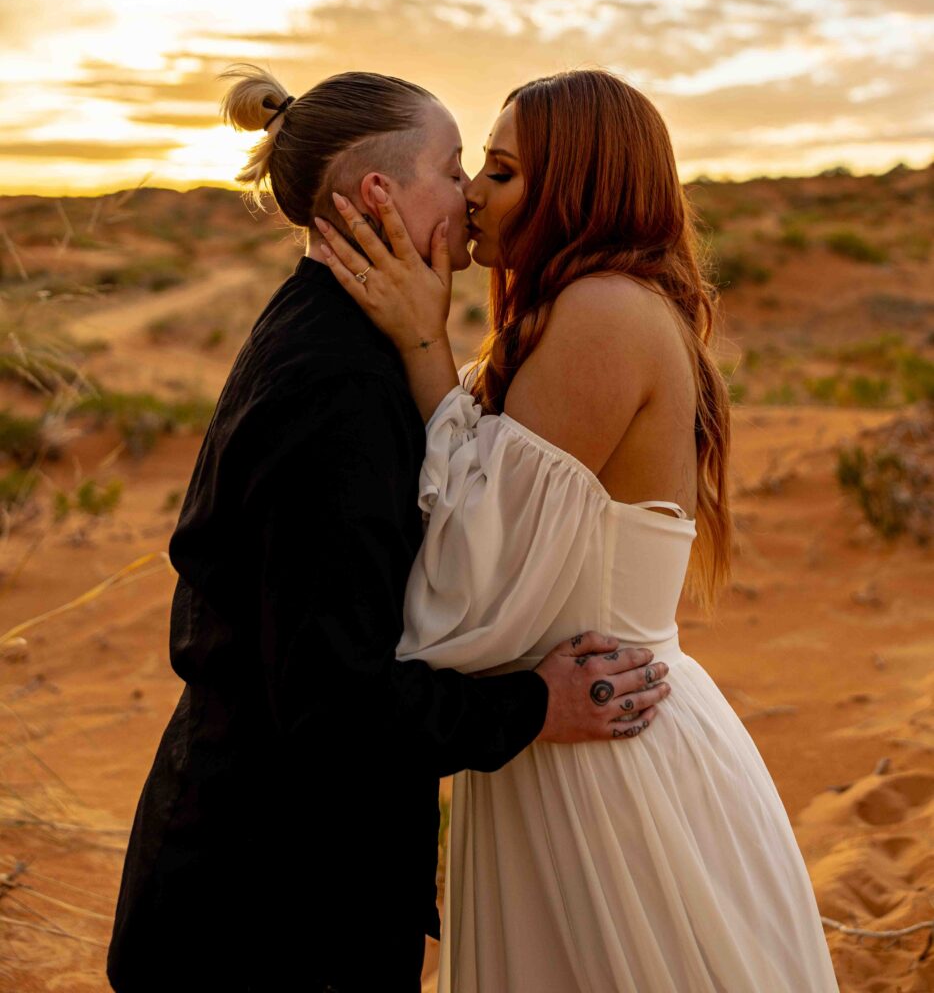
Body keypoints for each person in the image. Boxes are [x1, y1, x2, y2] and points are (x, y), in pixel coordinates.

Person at [105, 65, 673, 993]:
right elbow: (334, 705)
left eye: (490, 171)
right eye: (456, 168)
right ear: (380, 192)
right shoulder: (338, 381)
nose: (471, 193)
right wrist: (536, 705)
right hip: (268, 915)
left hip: (278, 885)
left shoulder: (342, 337)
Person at [318, 69, 840, 992]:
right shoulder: (580, 309)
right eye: (480, 164)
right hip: (567, 737)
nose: (475, 190)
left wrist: (421, 345)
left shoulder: (600, 314)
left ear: (580, 189)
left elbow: (468, 584)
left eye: (505, 171)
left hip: (603, 756)